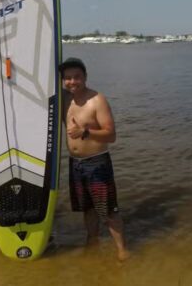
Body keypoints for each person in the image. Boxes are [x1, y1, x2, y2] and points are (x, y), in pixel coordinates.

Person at [59, 57, 131, 261]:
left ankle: (122, 250)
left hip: (97, 163)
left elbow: (111, 135)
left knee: (108, 210)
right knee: (87, 209)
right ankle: (92, 242)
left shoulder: (97, 100)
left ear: (85, 77)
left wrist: (85, 132)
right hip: (75, 164)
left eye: (77, 77)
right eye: (68, 78)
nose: (72, 81)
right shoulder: (64, 99)